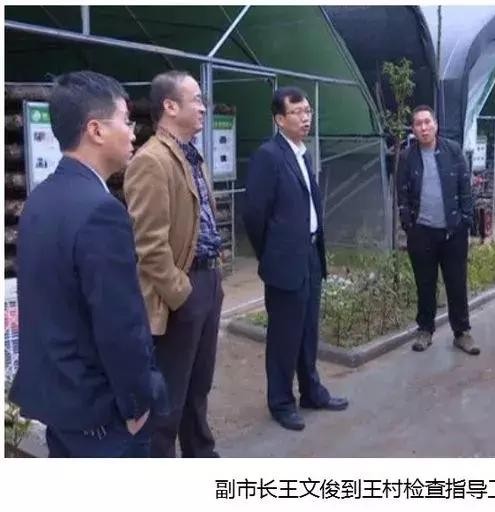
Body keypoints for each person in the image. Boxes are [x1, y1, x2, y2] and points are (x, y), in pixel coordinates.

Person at [9, 71, 165, 457]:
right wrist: (136, 404)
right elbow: (119, 324)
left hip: (60, 404)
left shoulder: (40, 199)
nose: (133, 133)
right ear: (96, 130)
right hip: (101, 415)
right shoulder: (100, 212)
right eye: (125, 121)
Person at [124, 71, 223, 457]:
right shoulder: (151, 160)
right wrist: (182, 293)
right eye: (196, 99)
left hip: (208, 280)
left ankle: (201, 452)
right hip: (182, 288)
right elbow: (150, 245)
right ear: (169, 106)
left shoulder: (191, 155)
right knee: (170, 395)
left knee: (199, 384)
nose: (203, 107)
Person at [243, 87, 348, 432]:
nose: (306, 118)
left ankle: (311, 391)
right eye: (297, 112)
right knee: (284, 336)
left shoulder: (302, 153)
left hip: (310, 255)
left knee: (307, 330)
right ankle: (281, 402)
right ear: (279, 119)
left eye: (308, 111)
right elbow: (254, 215)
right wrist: (271, 254)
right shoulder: (269, 156)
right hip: (284, 261)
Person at [397, 105, 477, 355]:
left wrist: (466, 220)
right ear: (413, 129)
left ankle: (462, 333)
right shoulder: (407, 157)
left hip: (453, 232)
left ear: (436, 124)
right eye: (418, 124)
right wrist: (408, 224)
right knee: (425, 284)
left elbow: (465, 187)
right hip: (422, 232)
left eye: (427, 122)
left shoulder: (453, 151)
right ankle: (425, 330)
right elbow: (402, 194)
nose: (423, 128)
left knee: (456, 283)